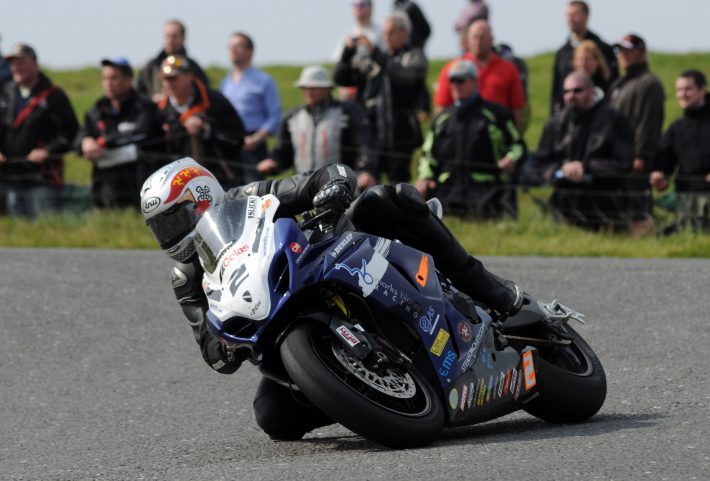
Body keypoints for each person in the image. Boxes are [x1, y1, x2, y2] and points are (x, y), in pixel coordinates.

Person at [139, 156, 523, 440]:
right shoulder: (186, 277)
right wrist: (224, 348)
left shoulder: (252, 199)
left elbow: (327, 174)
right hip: (279, 322)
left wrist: (332, 187)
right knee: (271, 415)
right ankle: (364, 395)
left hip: (335, 260)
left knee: (385, 200)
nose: (169, 236)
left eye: (174, 220)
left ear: (201, 196)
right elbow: (208, 345)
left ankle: (491, 289)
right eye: (161, 228)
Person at [417, 60, 525, 219]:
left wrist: (510, 159)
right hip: (447, 196)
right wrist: (425, 177)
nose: (455, 85)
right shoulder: (441, 119)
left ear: (474, 82)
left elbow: (518, 145)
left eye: (460, 80)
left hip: (487, 195)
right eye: (452, 81)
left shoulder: (497, 115)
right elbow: (427, 155)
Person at [334, 11, 428, 184]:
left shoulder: (414, 56)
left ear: (405, 33)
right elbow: (342, 79)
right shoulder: (374, 58)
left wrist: (376, 53)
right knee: (368, 182)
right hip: (371, 133)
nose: (386, 37)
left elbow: (405, 77)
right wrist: (347, 54)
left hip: (401, 135)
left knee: (398, 185)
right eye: (385, 32)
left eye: (391, 32)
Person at [535, 72, 634, 231]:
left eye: (577, 90)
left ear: (591, 91)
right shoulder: (555, 124)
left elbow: (624, 163)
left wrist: (586, 167)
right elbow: (540, 163)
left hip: (606, 206)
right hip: (563, 206)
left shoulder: (615, 120)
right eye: (566, 91)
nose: (571, 96)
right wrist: (560, 169)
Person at [257, 66, 377, 189]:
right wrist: (274, 162)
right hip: (302, 188)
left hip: (341, 187)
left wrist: (366, 170)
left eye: (315, 88)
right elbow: (284, 150)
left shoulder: (348, 113)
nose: (309, 92)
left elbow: (365, 144)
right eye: (305, 88)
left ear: (327, 89)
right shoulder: (293, 117)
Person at [0, 43, 78, 219]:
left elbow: (70, 133)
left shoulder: (53, 95)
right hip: (9, 178)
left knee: (46, 230)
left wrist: (47, 150)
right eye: (12, 63)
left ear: (35, 64)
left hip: (42, 180)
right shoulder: (5, 93)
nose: (16, 67)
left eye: (21, 62)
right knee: (15, 238)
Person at [76, 57, 161, 209]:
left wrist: (103, 142)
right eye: (105, 78)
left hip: (141, 193)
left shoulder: (144, 107)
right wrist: (86, 141)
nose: (108, 83)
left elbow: (142, 134)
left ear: (128, 80)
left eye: (114, 78)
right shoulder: (97, 110)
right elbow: (77, 141)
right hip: (104, 192)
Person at [155, 54, 246, 189]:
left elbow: (238, 137)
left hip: (223, 181)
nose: (169, 83)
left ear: (189, 76)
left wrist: (205, 129)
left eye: (174, 78)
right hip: (178, 185)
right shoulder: (159, 109)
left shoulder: (214, 101)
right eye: (165, 79)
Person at [608, 33, 665, 235]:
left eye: (628, 50)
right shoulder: (620, 83)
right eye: (620, 51)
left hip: (635, 157)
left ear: (641, 53)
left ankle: (642, 239)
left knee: (637, 205)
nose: (623, 55)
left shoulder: (649, 83)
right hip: (617, 156)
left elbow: (648, 122)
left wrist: (642, 154)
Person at [434, 20, 525, 130]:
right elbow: (442, 108)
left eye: (482, 37)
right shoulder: (453, 69)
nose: (478, 41)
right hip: (461, 133)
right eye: (475, 37)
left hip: (497, 131)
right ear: (467, 40)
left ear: (492, 39)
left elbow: (517, 108)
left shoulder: (508, 69)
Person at [650, 70, 710, 232]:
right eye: (679, 90)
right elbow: (664, 162)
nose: (682, 94)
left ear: (702, 89)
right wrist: (659, 176)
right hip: (686, 198)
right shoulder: (677, 128)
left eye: (688, 89)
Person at [220, 32, 281, 183]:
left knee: (253, 191)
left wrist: (256, 139)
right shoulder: (225, 82)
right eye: (231, 46)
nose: (233, 50)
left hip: (253, 146)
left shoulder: (264, 81)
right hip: (231, 145)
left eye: (238, 46)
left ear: (250, 51)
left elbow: (274, 116)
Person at [550, 1, 618, 114]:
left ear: (586, 16)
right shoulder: (562, 53)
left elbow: (613, 83)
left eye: (575, 15)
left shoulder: (603, 49)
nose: (571, 19)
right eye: (568, 15)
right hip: (568, 115)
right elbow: (556, 91)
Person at [136, 19, 210, 103]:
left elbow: (205, 95)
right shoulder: (152, 66)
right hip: (159, 114)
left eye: (174, 36)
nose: (170, 40)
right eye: (167, 36)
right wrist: (152, 100)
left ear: (183, 37)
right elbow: (137, 95)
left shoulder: (193, 67)